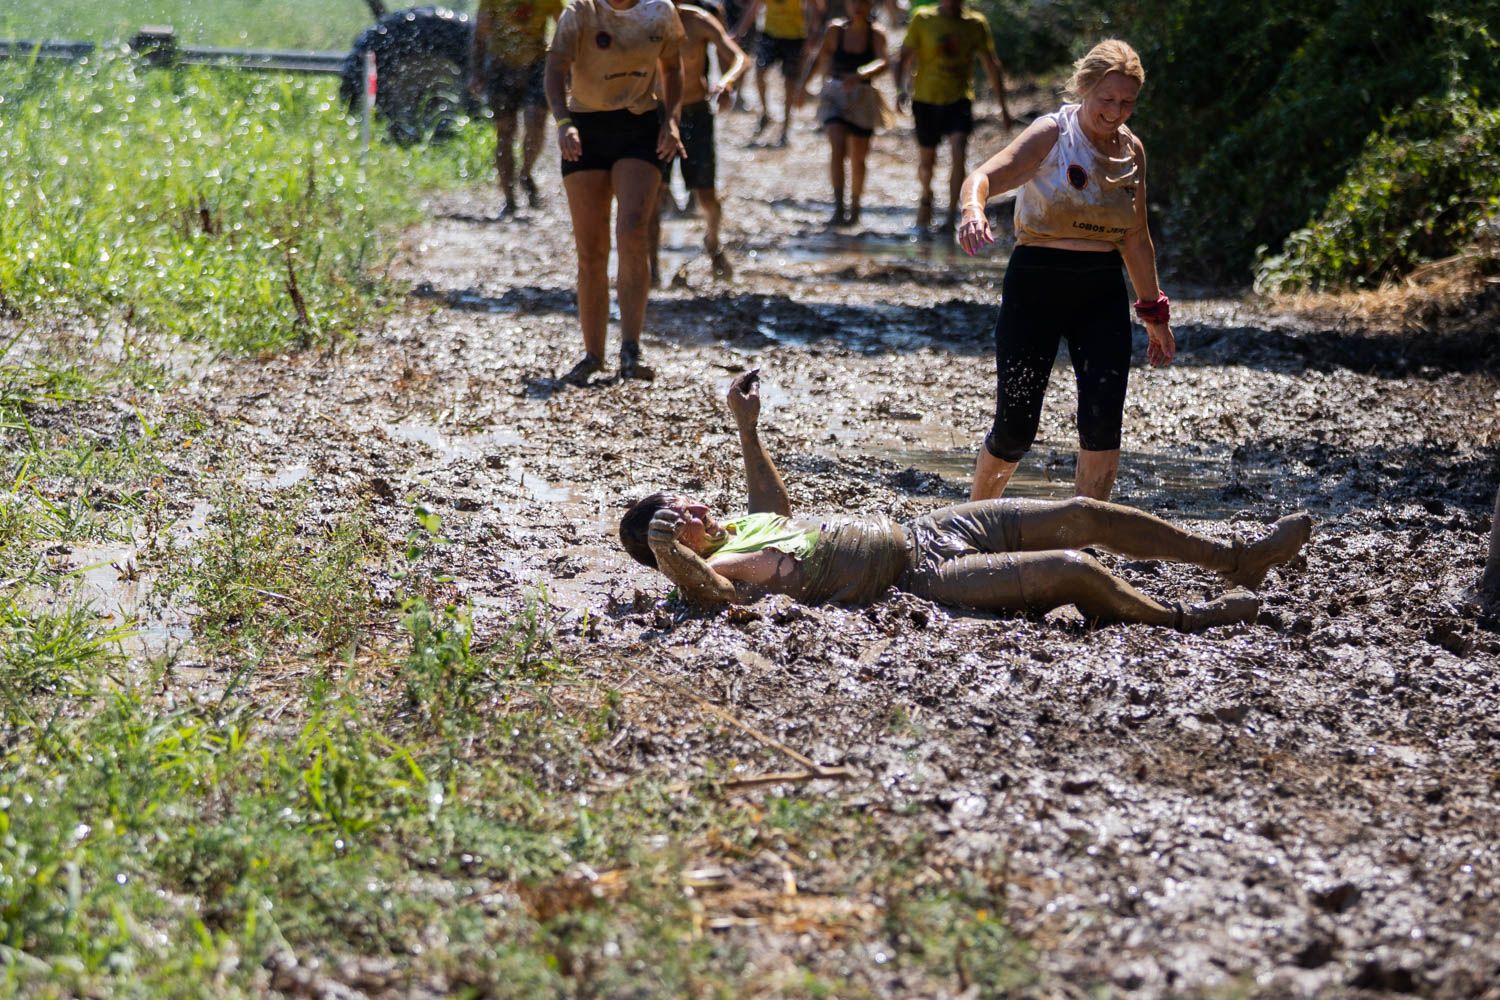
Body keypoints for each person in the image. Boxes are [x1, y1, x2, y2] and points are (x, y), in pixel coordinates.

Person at [619, 371, 1313, 631]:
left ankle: (1235, 557)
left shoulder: (741, 527)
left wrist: (748, 429)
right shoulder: (720, 570)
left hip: (925, 529)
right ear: (673, 547)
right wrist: (665, 547)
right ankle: (1183, 617)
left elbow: (779, 510)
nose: (698, 515)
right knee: (1072, 566)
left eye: (689, 506)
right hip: (917, 579)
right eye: (680, 522)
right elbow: (712, 597)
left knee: (1084, 513)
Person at [956, 39, 1173, 501]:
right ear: (1084, 88)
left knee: (1102, 422)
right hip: (1037, 282)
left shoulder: (1132, 149)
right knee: (1016, 426)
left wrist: (1155, 315)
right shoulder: (1052, 133)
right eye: (1107, 100)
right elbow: (982, 178)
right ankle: (974, 519)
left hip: (1100, 291)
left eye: (1127, 102)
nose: (1116, 112)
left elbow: (1136, 238)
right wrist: (973, 212)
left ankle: (1086, 539)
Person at [545, 0, 687, 385]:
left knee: (632, 231)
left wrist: (672, 122)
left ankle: (631, 348)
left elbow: (672, 68)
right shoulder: (579, 13)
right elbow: (555, 70)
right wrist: (562, 122)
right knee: (591, 252)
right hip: (585, 130)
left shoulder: (660, 12)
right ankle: (593, 354)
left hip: (639, 127)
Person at [649, 0, 750, 282]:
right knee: (654, 192)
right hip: (655, 114)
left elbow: (741, 58)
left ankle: (713, 243)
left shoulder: (700, 20)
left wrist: (727, 81)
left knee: (706, 195)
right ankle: (652, 267)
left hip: (695, 112)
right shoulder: (644, 20)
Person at [895, 0, 1011, 232]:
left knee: (959, 151)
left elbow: (991, 64)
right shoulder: (923, 19)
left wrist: (1003, 107)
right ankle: (926, 195)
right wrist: (900, 90)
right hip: (926, 99)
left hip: (959, 99)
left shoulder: (975, 23)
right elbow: (903, 57)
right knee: (927, 162)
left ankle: (950, 216)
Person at [795, 0, 890, 225]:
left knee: (858, 158)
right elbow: (820, 58)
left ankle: (855, 208)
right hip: (834, 94)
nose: (858, 6)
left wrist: (860, 74)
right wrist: (802, 86)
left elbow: (884, 61)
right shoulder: (835, 30)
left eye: (863, 2)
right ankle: (838, 208)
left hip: (863, 96)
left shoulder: (876, 33)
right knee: (837, 146)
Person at [469, 0, 566, 216]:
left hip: (536, 64)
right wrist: (476, 71)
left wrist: (565, 66)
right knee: (505, 131)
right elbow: (480, 33)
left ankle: (525, 172)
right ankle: (509, 198)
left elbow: (565, 29)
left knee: (535, 121)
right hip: (500, 65)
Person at [735, 0, 825, 146]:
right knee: (759, 73)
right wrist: (739, 32)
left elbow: (815, 7)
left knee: (789, 83)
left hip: (795, 37)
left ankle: (785, 127)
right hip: (769, 34)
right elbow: (753, 8)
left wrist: (813, 33)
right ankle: (765, 114)